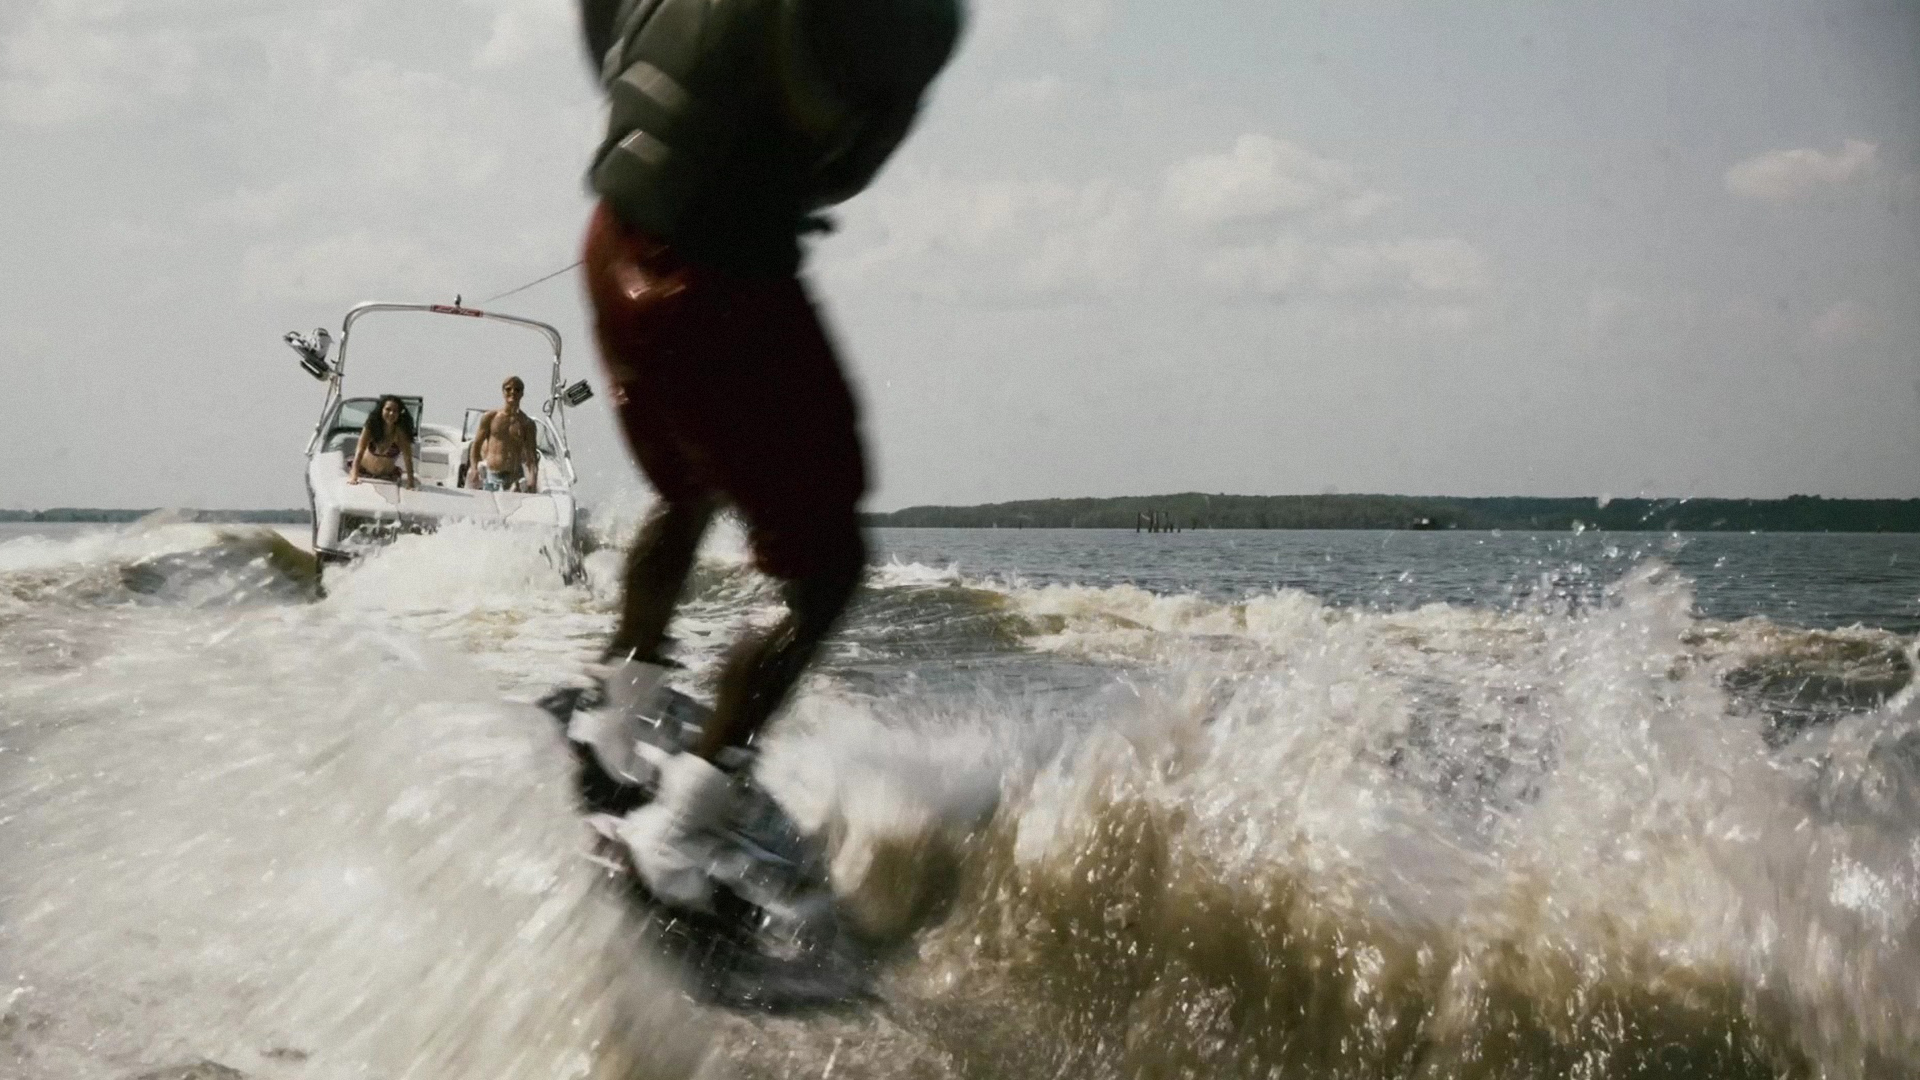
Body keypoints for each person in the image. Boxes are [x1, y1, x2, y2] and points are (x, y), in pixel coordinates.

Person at [571, 0, 963, 911]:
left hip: (612, 241)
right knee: (827, 571)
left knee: (689, 487)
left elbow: (605, 40)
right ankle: (683, 827)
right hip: (719, 293)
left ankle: (617, 721)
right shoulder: (918, 18)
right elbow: (848, 171)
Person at [466, 376, 540, 492]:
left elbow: (532, 457)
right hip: (491, 476)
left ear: (522, 394)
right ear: (503, 392)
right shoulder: (490, 417)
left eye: (517, 390)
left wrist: (532, 481)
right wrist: (474, 469)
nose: (513, 392)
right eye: (508, 389)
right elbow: (476, 446)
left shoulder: (527, 424)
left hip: (515, 479)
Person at [347, 395, 417, 488]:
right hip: (363, 472)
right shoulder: (371, 427)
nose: (391, 413)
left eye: (395, 411)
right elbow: (359, 451)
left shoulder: (400, 433)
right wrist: (354, 476)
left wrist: (411, 483)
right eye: (388, 409)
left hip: (387, 476)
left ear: (399, 414)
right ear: (381, 410)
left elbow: (407, 458)